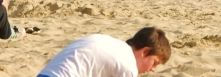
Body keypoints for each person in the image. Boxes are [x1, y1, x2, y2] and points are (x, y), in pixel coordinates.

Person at [38, 28, 171, 76]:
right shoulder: (128, 65)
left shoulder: (111, 44)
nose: (153, 69)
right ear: (145, 51)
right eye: (155, 62)